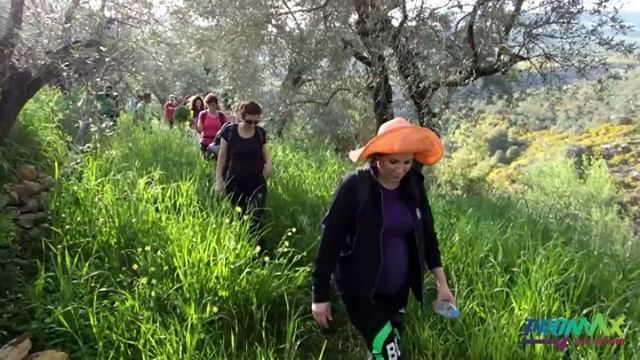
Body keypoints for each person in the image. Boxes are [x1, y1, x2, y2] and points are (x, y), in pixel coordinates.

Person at [310, 117, 456, 359]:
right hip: (361, 289)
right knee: (390, 354)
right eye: (393, 162)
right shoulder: (355, 186)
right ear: (377, 157)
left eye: (407, 162)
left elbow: (428, 238)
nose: (400, 169)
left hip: (398, 289)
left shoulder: (414, 187)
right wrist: (320, 297)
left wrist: (442, 284)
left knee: (383, 350)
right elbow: (330, 244)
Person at [215, 101, 273, 245]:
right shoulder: (230, 132)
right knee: (240, 217)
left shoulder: (260, 133)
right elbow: (222, 157)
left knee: (256, 217)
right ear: (242, 116)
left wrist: (269, 165)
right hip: (235, 182)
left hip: (256, 183)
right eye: (249, 121)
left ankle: (259, 252)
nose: (253, 125)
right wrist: (219, 180)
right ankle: (240, 246)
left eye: (256, 121)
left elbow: (266, 155)